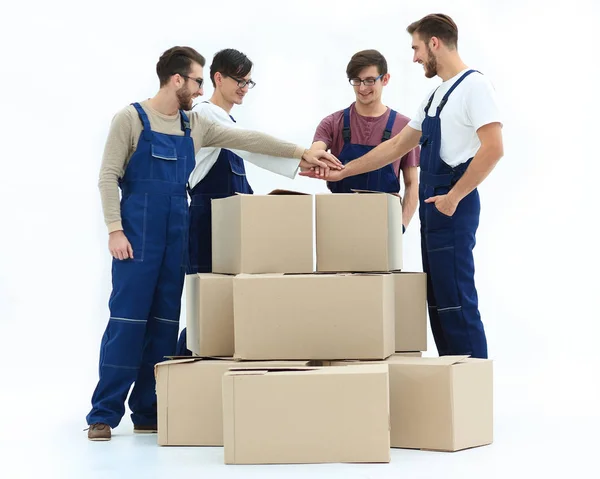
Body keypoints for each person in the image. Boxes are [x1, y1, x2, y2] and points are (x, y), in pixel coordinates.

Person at [87, 46, 341, 441]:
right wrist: (114, 230)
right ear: (176, 80)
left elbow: (248, 138)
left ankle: (148, 409)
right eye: (197, 80)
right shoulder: (131, 118)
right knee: (127, 323)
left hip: (176, 233)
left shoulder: (195, 126)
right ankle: (103, 414)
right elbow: (108, 177)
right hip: (137, 236)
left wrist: (300, 153)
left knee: (163, 325)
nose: (201, 88)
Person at [302, 14, 503, 360]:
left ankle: (473, 393)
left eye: (417, 48)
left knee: (457, 301)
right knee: (439, 303)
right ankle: (452, 383)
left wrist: (454, 197)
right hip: (434, 207)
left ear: (434, 44)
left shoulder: (474, 86)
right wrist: (342, 172)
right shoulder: (436, 96)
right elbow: (395, 147)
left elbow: (494, 148)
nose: (415, 57)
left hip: (452, 204)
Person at [175, 48, 302, 356]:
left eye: (249, 82)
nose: (245, 88)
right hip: (207, 222)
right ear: (218, 78)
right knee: (206, 306)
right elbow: (253, 146)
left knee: (232, 305)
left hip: (232, 226)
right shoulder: (204, 114)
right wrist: (301, 158)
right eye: (239, 80)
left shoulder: (228, 119)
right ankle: (175, 378)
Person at [310, 49, 419, 232]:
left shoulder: (405, 128)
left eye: (369, 80)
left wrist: (401, 226)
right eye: (357, 81)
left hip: (384, 224)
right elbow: (315, 152)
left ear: (385, 79)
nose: (362, 88)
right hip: (338, 222)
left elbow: (412, 183)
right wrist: (313, 157)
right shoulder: (332, 123)